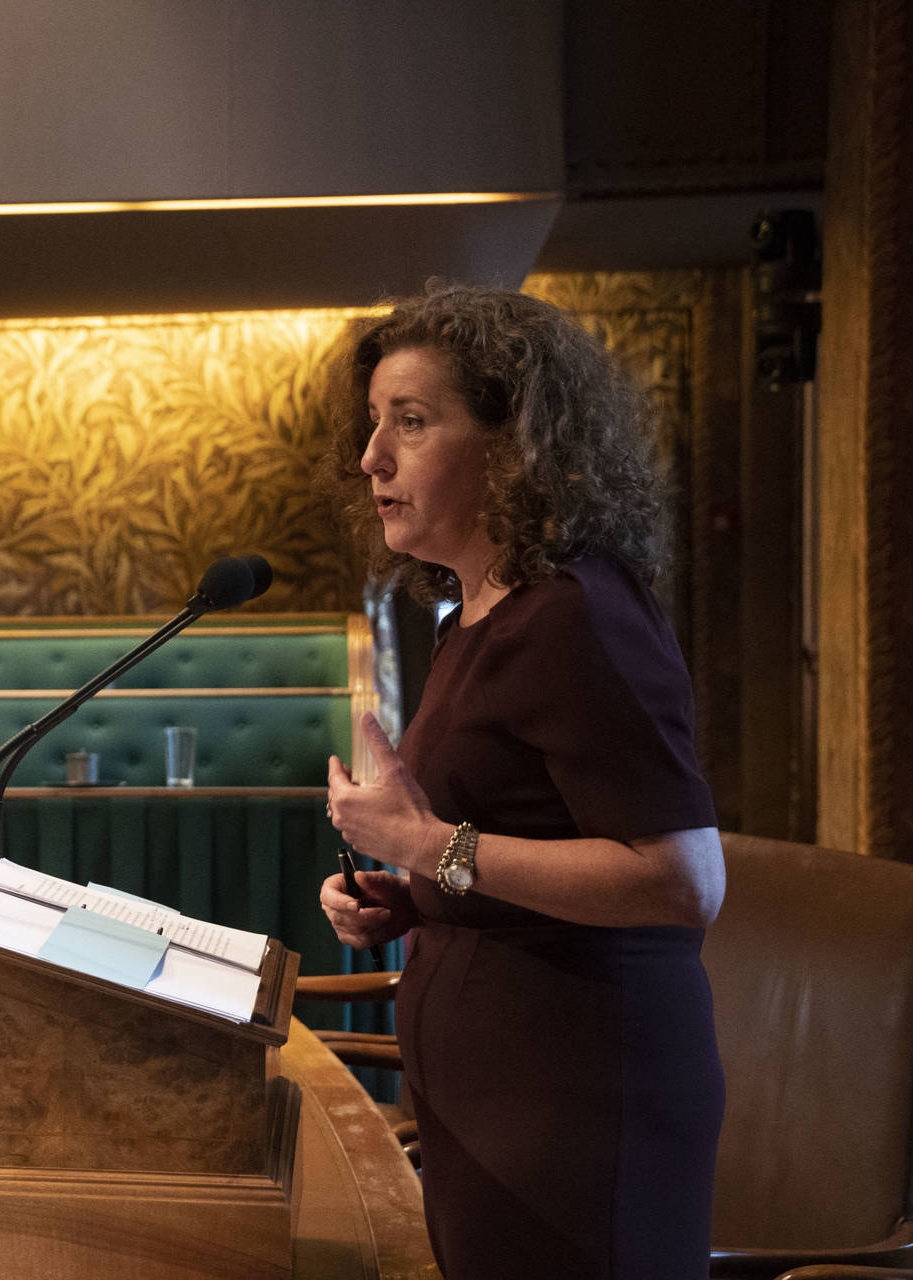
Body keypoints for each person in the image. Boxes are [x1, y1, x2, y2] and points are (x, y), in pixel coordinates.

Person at [315, 283, 726, 1280]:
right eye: (375, 423)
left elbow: (681, 881)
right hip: (490, 1091)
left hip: (582, 1103)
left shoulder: (575, 612)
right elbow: (513, 842)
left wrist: (424, 845)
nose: (374, 456)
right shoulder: (474, 613)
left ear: (512, 443)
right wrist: (402, 896)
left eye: (411, 422)